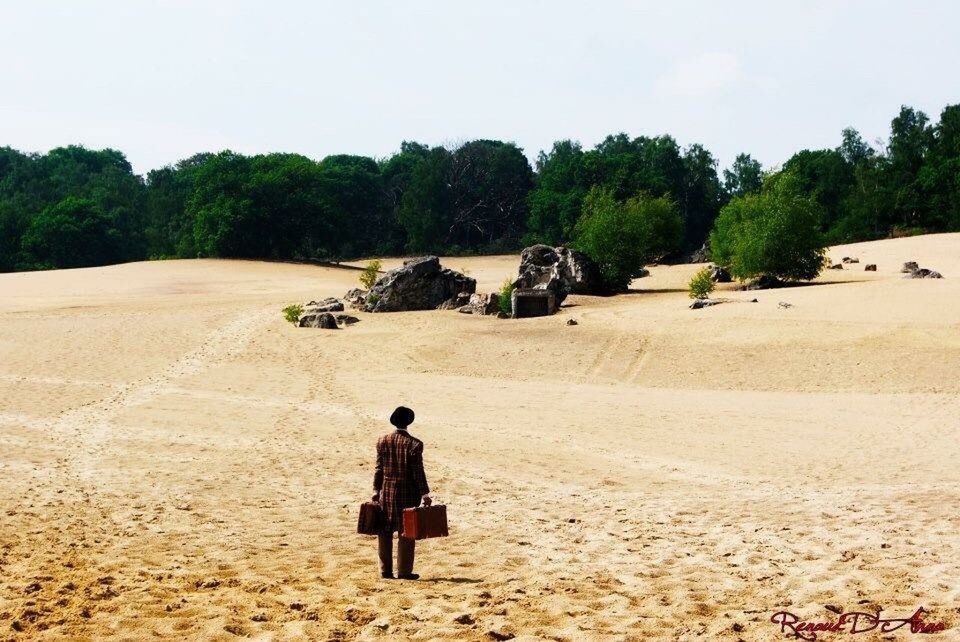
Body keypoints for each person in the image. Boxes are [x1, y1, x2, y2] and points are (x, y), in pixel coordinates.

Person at [373, 406, 432, 580]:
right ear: (409, 422)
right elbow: (418, 473)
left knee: (384, 531)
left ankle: (385, 571)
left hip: (387, 492)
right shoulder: (415, 444)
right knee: (406, 532)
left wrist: (376, 490)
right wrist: (425, 494)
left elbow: (379, 469)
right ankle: (405, 571)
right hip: (407, 493)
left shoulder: (382, 441)